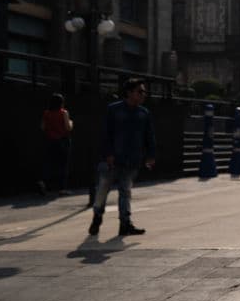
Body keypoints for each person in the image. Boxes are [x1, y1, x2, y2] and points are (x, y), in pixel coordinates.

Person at [88, 79, 156, 237]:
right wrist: (108, 154)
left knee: (125, 191)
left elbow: (149, 136)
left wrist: (151, 155)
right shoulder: (114, 110)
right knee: (103, 189)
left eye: (144, 92)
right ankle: (97, 217)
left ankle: (125, 224)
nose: (143, 95)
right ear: (130, 92)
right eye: (140, 91)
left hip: (132, 159)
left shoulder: (143, 113)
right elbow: (105, 134)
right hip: (112, 159)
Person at [38, 93, 73, 195]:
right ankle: (62, 188)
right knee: (63, 165)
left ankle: (44, 182)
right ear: (61, 103)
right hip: (63, 140)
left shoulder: (46, 113)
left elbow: (42, 127)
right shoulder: (64, 112)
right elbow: (68, 127)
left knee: (50, 163)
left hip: (50, 140)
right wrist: (71, 123)